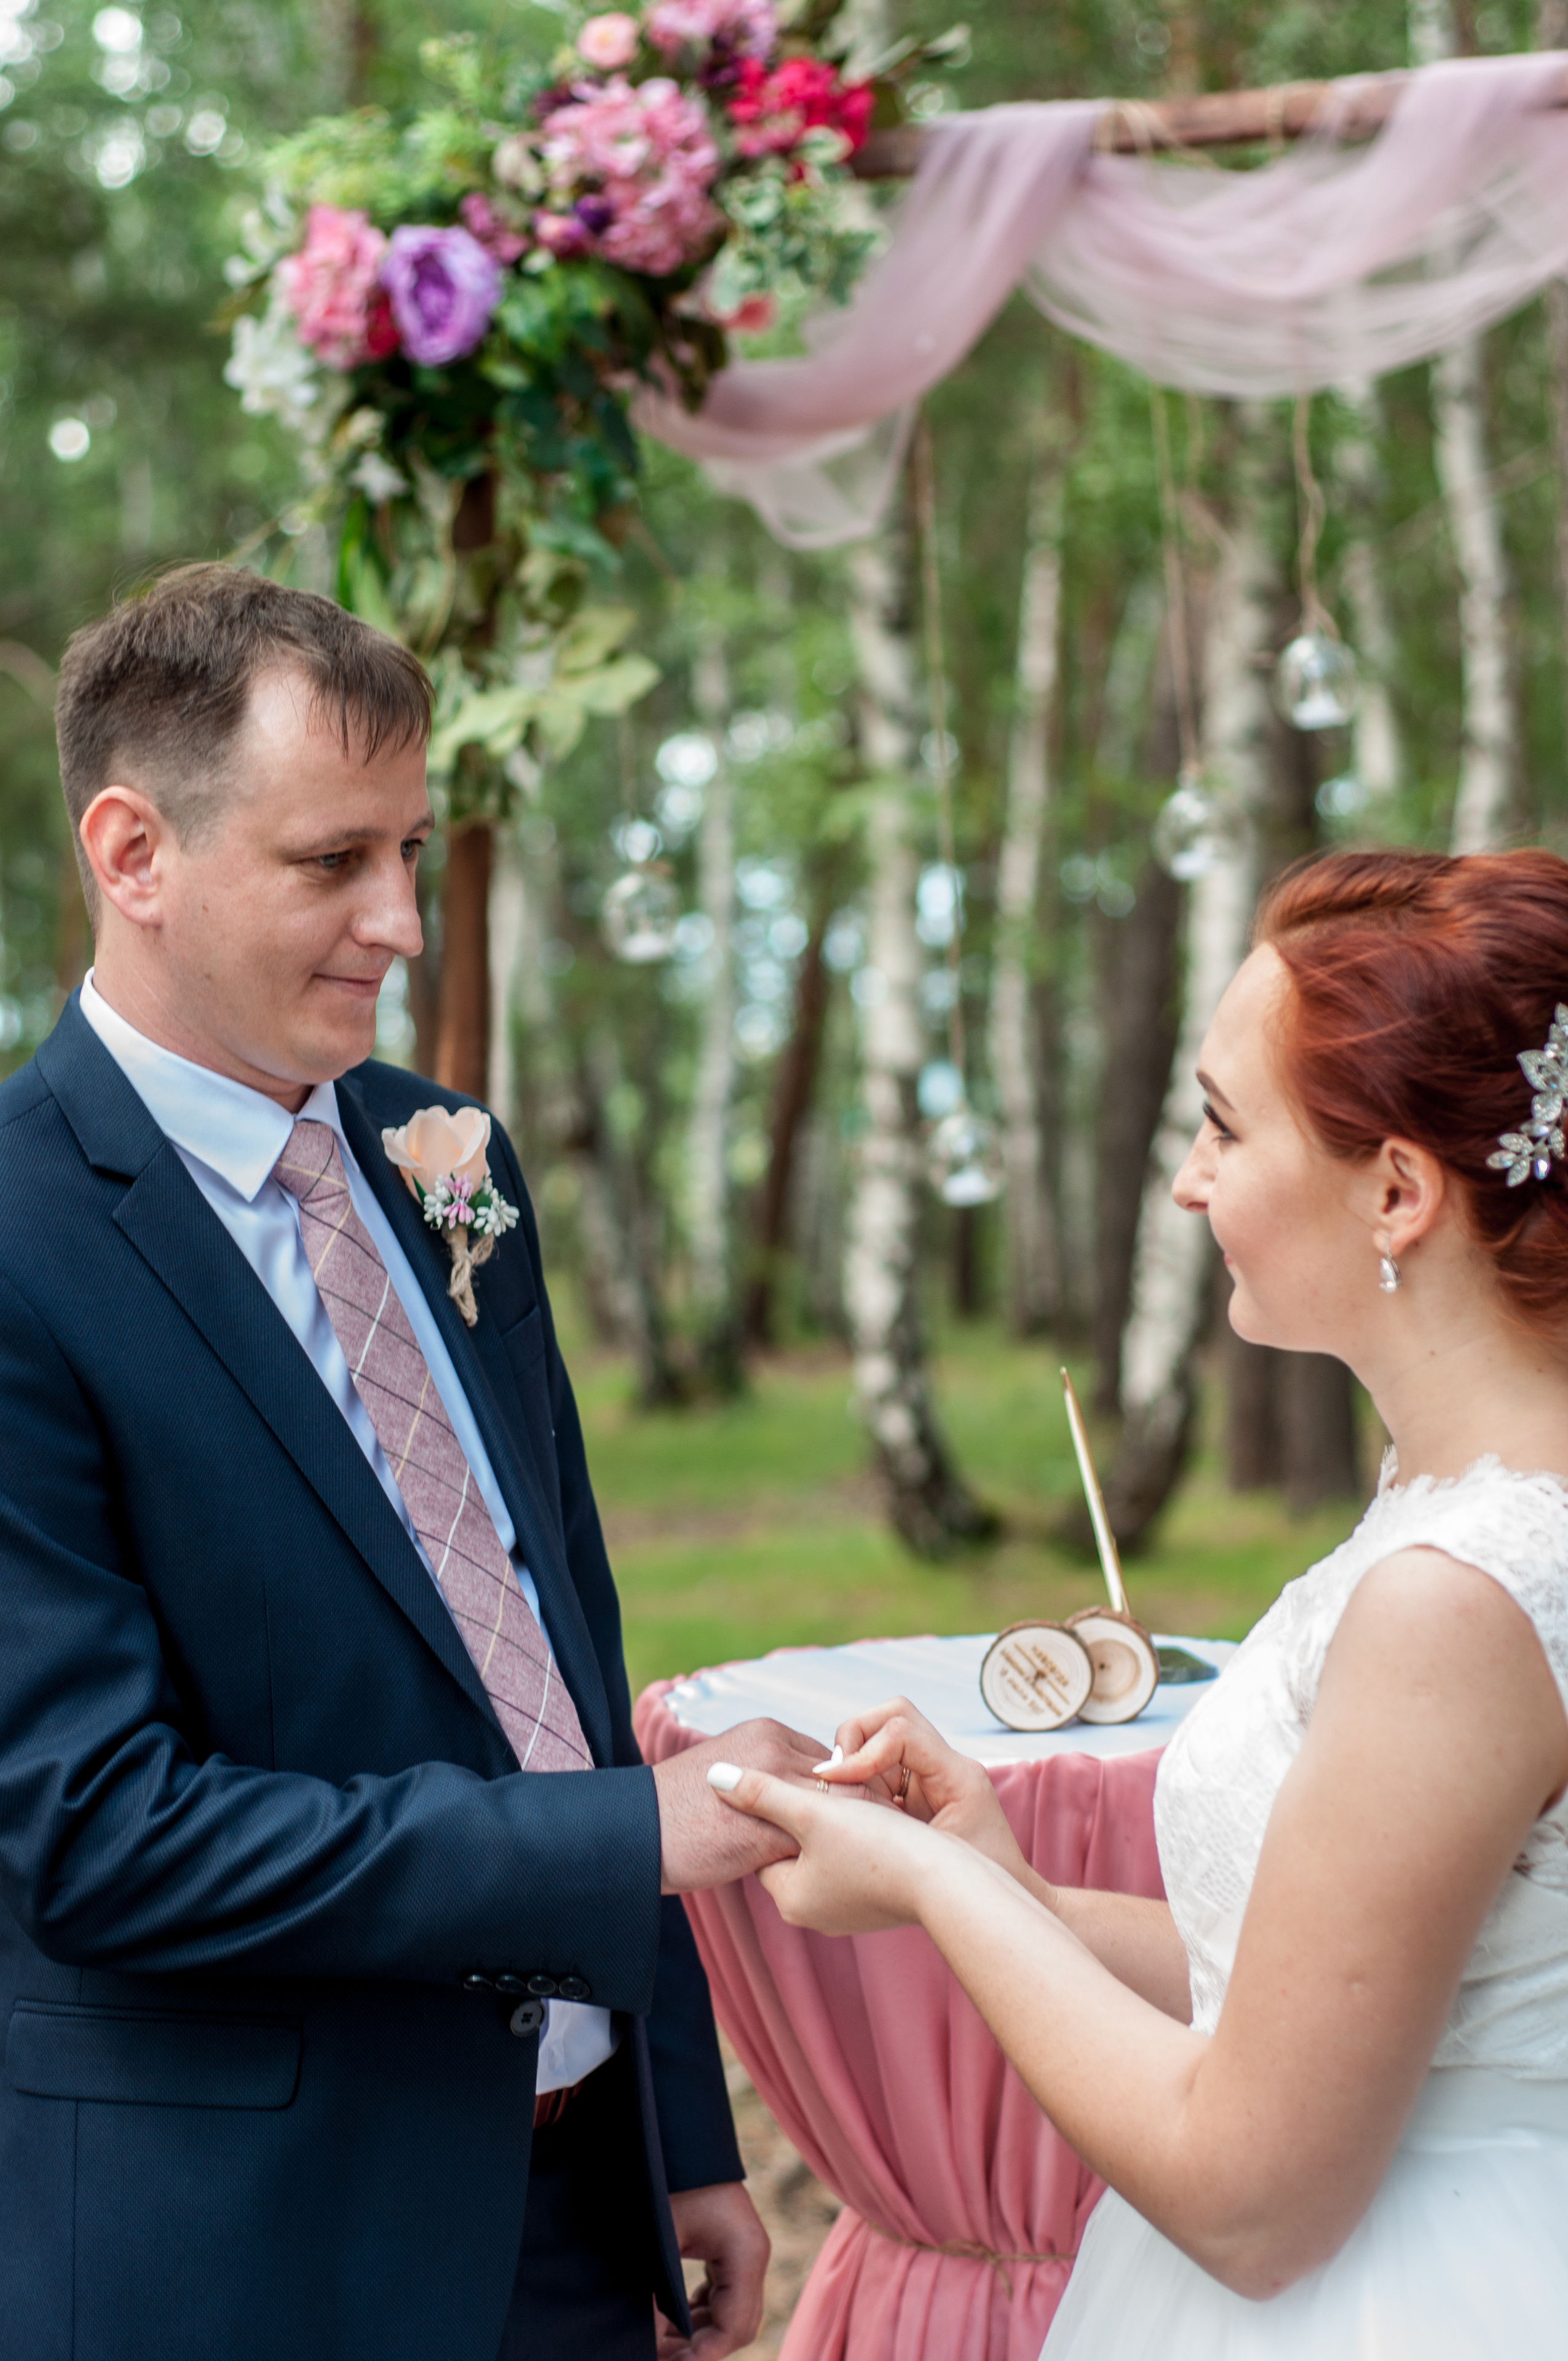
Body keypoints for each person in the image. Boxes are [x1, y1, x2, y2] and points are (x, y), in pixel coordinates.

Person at [0, 564, 828, 2361]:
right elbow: (100, 1837)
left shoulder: (448, 1155)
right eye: (330, 862)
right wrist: (620, 1843)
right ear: (132, 854)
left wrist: (674, 2120)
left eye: (411, 850)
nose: (402, 920)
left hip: (571, 2209)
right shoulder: (18, 1239)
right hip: (249, 2256)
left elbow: (565, 1644)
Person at [708, 847, 1568, 2359]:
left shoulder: (1460, 1600)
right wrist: (1007, 1874)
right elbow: (1326, 1987)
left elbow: (1252, 2201)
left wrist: (932, 1892)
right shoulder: (1468, 1517)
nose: (1188, 1179)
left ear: (1395, 1189)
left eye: (1225, 1128)